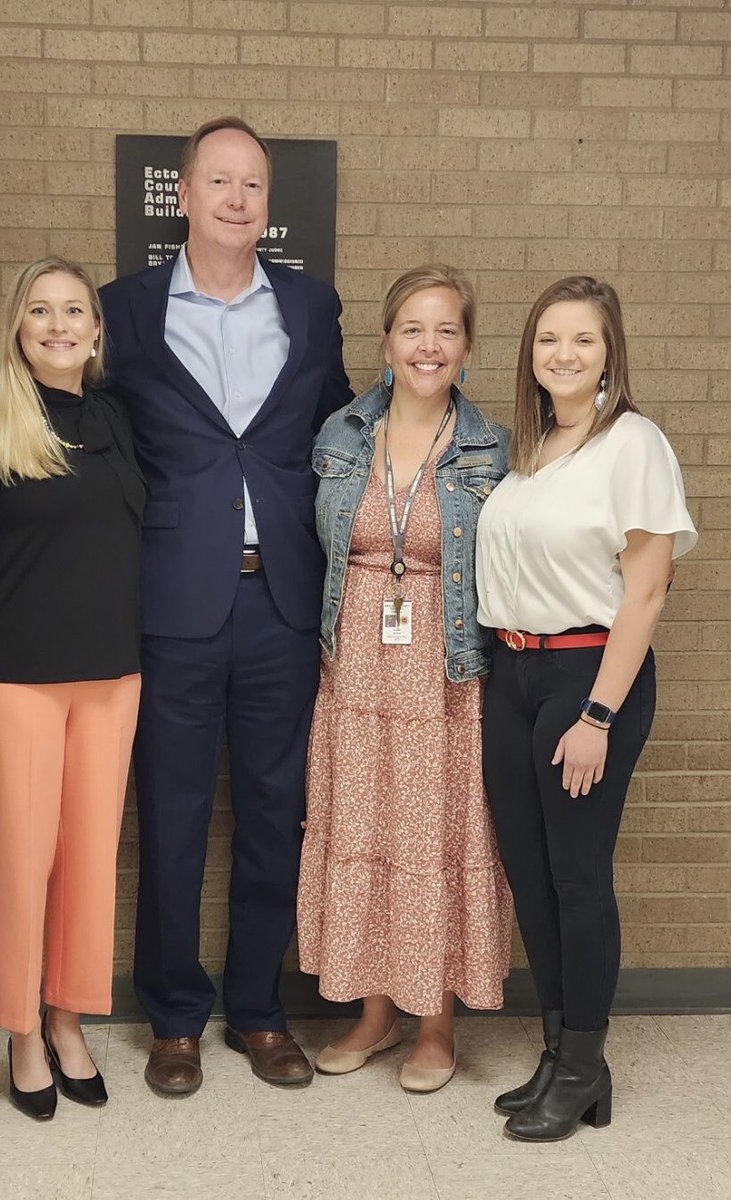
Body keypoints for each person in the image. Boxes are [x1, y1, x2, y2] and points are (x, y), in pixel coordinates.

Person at [100, 116, 353, 1095]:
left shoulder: (311, 306)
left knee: (275, 812)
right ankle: (172, 1017)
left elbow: (338, 428)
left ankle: (256, 1008)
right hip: (172, 603)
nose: (238, 199)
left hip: (283, 600)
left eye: (253, 185)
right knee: (168, 816)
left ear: (266, 205)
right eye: (220, 181)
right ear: (184, 196)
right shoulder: (123, 312)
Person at [477, 275, 696, 1141]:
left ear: (610, 353)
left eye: (582, 341)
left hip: (586, 679)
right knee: (530, 880)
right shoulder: (533, 452)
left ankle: (583, 1064)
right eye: (547, 341)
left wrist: (598, 716)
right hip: (514, 674)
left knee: (575, 878)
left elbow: (644, 592)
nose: (562, 355)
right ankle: (559, 1053)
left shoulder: (631, 442)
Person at [0, 258, 144, 1121]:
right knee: (22, 862)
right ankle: (20, 1031)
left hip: (111, 676)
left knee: (89, 861)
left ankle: (66, 1018)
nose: (58, 325)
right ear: (17, 326)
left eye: (74, 311)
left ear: (96, 329)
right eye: (39, 310)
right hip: (11, 679)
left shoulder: (118, 419)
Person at [297, 265, 512, 1094]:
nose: (428, 345)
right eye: (412, 329)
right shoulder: (342, 435)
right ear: (385, 342)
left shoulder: (491, 445)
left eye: (446, 331)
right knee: (366, 830)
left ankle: (436, 1021)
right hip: (352, 663)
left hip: (444, 671)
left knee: (434, 839)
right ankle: (377, 1011)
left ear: (465, 347)